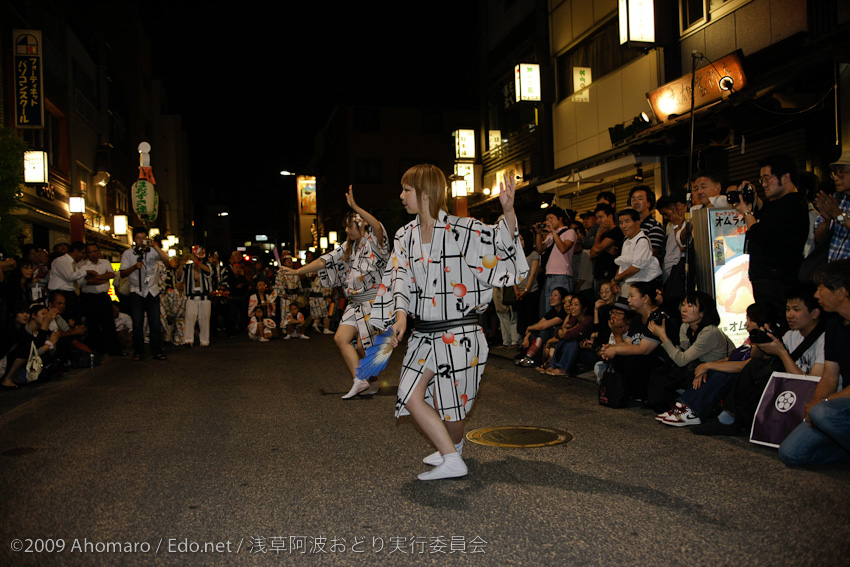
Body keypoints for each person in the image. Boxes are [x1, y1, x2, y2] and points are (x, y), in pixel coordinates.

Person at [371, 164, 528, 481]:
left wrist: (509, 213)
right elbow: (399, 279)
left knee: (451, 407)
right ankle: (452, 454)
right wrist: (400, 315)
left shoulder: (463, 230)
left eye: (406, 189)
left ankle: (452, 448)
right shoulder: (405, 234)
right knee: (411, 394)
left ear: (426, 193)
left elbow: (500, 246)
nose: (401, 196)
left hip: (460, 333)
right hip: (424, 334)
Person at [280, 186, 389, 399]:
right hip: (354, 302)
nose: (347, 231)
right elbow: (325, 260)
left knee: (362, 346)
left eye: (349, 227)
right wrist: (296, 271)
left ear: (360, 225)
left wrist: (356, 207)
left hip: (372, 302)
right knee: (340, 338)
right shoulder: (349, 247)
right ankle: (360, 380)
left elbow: (376, 225)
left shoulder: (376, 243)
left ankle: (370, 378)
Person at [779, 260, 850, 466]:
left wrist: (823, 405)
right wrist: (813, 406)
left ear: (842, 292)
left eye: (821, 288)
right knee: (791, 453)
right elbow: (829, 376)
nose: (817, 295)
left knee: (822, 412)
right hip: (839, 407)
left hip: (839, 405)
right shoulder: (835, 327)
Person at [732, 155, 809, 323]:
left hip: (776, 281)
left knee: (772, 325)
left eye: (767, 179)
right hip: (771, 279)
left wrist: (746, 212)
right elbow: (768, 214)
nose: (764, 184)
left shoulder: (790, 204)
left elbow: (759, 233)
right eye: (761, 180)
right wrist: (754, 199)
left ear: (786, 177)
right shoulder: (783, 203)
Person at [649, 291, 735, 424]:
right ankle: (680, 406)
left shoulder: (710, 332)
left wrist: (663, 336)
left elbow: (682, 359)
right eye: (683, 304)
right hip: (701, 367)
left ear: (702, 312)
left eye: (690, 306)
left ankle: (689, 409)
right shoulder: (685, 326)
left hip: (720, 371)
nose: (684, 309)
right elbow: (682, 353)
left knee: (697, 369)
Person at [600, 282, 668, 403]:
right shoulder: (638, 317)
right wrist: (610, 347)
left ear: (645, 298)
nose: (629, 300)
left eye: (632, 296)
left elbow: (644, 349)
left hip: (659, 362)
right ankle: (629, 393)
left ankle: (646, 395)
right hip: (643, 358)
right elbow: (627, 343)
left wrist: (615, 349)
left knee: (632, 360)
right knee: (619, 357)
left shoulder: (657, 317)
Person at [119, 227, 171, 361]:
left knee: (155, 323)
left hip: (152, 291)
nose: (141, 241)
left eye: (144, 238)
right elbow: (123, 273)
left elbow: (166, 259)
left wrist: (155, 246)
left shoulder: (152, 251)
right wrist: (135, 266)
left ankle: (157, 351)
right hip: (136, 291)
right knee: (137, 323)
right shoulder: (128, 254)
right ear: (134, 239)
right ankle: (138, 351)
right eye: (138, 238)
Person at [1, 303, 60, 388]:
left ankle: (12, 377)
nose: (25, 315)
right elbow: (33, 348)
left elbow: (36, 345)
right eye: (21, 313)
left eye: (26, 313)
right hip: (3, 360)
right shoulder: (10, 329)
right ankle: (7, 378)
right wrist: (46, 324)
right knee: (27, 350)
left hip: (11, 361)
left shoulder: (21, 329)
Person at [79, 243, 123, 356]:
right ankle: (97, 351)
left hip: (104, 296)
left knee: (109, 323)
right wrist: (103, 278)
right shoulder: (83, 266)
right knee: (93, 325)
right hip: (90, 297)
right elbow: (86, 281)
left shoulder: (105, 262)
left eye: (94, 251)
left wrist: (97, 277)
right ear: (87, 254)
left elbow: (111, 274)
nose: (93, 254)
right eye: (90, 252)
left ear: (98, 252)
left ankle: (114, 349)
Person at [534, 206, 576, 315]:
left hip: (562, 275)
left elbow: (563, 248)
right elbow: (539, 249)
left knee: (561, 309)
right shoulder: (550, 235)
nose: (549, 221)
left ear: (560, 218)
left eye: (551, 218)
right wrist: (538, 234)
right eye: (547, 219)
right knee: (548, 309)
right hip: (549, 275)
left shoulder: (569, 232)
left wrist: (553, 231)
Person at [613, 208, 662, 295]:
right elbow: (622, 263)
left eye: (627, 221)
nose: (623, 226)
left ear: (638, 223)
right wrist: (616, 279)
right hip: (628, 283)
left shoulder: (642, 241)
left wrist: (617, 278)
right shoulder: (626, 241)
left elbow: (635, 268)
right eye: (621, 223)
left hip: (642, 285)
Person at [542, 294, 594, 376]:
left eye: (576, 305)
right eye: (571, 304)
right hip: (577, 352)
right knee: (563, 339)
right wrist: (566, 330)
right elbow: (558, 333)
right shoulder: (574, 318)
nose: (572, 307)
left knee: (572, 340)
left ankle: (563, 369)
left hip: (589, 353)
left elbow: (570, 334)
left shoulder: (588, 320)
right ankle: (553, 365)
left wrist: (566, 329)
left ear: (584, 308)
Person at [813, 150, 850, 263]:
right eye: (835, 173)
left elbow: (838, 215)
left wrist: (838, 215)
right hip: (832, 272)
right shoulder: (835, 199)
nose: (836, 178)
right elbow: (818, 240)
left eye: (841, 173)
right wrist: (826, 220)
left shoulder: (835, 207)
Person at [516, 287, 567, 367]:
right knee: (534, 333)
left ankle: (530, 358)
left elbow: (543, 326)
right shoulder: (553, 311)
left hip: (560, 338)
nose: (552, 298)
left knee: (544, 331)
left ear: (562, 299)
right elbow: (539, 324)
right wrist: (527, 336)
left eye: (555, 295)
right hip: (550, 336)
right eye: (551, 295)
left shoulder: (563, 312)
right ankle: (532, 359)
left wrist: (529, 328)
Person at [47, 241, 95, 323]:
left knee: (75, 319)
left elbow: (78, 283)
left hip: (72, 294)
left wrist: (86, 278)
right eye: (82, 253)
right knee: (64, 320)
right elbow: (69, 277)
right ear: (76, 251)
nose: (83, 256)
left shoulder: (74, 264)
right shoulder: (61, 261)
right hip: (61, 293)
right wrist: (85, 272)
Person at [590, 204, 624, 289]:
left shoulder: (616, 231)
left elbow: (597, 250)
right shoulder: (602, 233)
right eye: (597, 218)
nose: (598, 220)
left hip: (610, 275)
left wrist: (598, 235)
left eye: (601, 217)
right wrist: (604, 249)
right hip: (599, 275)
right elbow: (591, 255)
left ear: (610, 216)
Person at [515, 229, 541, 337]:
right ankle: (523, 344)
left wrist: (526, 290)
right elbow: (513, 274)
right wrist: (516, 290)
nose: (520, 242)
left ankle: (530, 342)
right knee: (521, 319)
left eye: (522, 239)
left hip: (531, 291)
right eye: (518, 239)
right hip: (519, 291)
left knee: (531, 318)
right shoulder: (516, 254)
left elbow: (533, 275)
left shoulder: (533, 254)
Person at [628, 186, 665, 257]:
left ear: (649, 203)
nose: (636, 202)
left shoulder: (655, 226)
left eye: (640, 199)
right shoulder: (629, 225)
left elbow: (652, 253)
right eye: (633, 199)